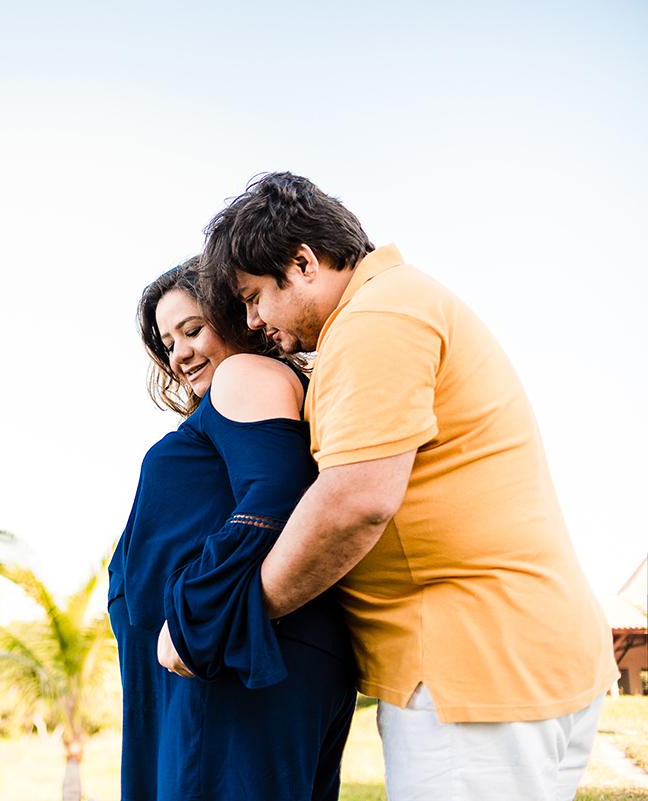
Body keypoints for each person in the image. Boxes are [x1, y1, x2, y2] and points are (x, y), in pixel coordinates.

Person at [186, 172, 618, 801]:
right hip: (520, 661)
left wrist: (229, 619)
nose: (252, 323)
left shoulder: (375, 318)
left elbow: (355, 502)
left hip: (469, 675)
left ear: (303, 263)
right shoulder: (402, 300)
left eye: (254, 297)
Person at [108, 257, 357, 801]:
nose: (179, 354)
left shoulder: (245, 374)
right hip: (212, 668)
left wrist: (196, 615)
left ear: (237, 315)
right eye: (167, 342)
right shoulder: (233, 397)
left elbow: (277, 495)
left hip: (226, 663)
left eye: (192, 330)